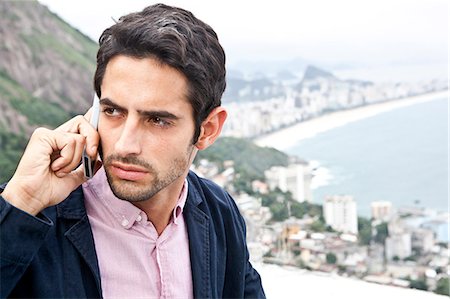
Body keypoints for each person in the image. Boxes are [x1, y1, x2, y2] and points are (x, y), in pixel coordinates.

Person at [0, 3, 265, 298]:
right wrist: (21, 201)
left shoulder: (220, 213)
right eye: (113, 111)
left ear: (208, 129)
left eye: (158, 120)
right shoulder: (32, 215)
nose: (125, 145)